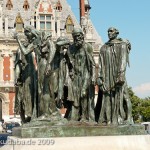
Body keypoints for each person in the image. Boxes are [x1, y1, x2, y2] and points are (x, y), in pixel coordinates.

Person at [97, 27, 133, 125]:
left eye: (111, 31)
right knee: (107, 98)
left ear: (116, 33)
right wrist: (99, 78)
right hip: (107, 77)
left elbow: (123, 60)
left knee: (125, 96)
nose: (109, 33)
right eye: (108, 31)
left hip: (119, 76)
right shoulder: (104, 47)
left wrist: (121, 75)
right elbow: (100, 64)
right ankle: (108, 119)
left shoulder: (122, 45)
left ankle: (128, 118)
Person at [68, 28, 96, 122]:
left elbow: (92, 64)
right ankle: (75, 116)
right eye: (75, 37)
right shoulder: (71, 48)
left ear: (82, 36)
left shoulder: (87, 47)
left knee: (83, 95)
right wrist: (71, 70)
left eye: (79, 36)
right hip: (75, 76)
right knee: (75, 96)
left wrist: (93, 76)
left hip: (86, 75)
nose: (77, 39)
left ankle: (84, 116)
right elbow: (69, 62)